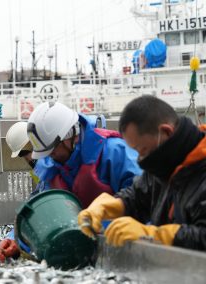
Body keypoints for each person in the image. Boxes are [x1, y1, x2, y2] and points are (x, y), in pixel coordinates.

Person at [0, 101, 142, 262]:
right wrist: (16, 240)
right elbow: (39, 207)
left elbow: (146, 198)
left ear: (70, 137)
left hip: (124, 248)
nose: (49, 156)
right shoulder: (52, 166)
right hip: (79, 251)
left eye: (51, 150)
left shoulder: (115, 153)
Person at [78, 96, 206, 250]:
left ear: (166, 131)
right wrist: (113, 206)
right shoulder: (165, 163)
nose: (142, 159)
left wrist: (152, 235)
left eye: (143, 150)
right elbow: (138, 195)